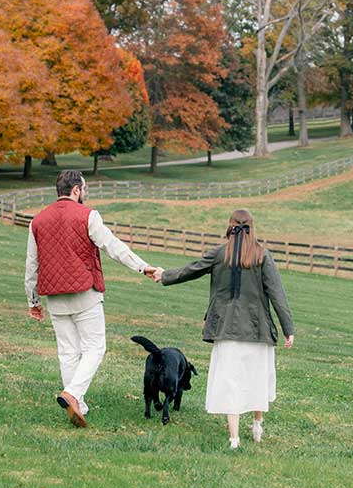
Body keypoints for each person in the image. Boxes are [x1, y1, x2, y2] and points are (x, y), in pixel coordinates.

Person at [25, 169, 161, 427]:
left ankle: (79, 405)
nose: (84, 194)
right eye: (84, 189)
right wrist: (143, 267)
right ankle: (73, 394)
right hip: (84, 293)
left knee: (67, 352)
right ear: (76, 190)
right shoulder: (88, 215)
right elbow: (113, 246)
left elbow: (31, 266)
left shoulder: (37, 221)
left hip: (54, 297)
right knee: (95, 347)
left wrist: (33, 302)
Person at [154, 209, 294, 449]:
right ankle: (257, 426)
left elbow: (192, 269)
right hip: (256, 329)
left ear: (231, 226)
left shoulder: (221, 253)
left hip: (227, 329)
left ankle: (234, 439)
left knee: (232, 382)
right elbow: (277, 294)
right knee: (256, 378)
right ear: (252, 227)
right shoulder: (263, 255)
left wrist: (164, 275)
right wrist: (288, 328)